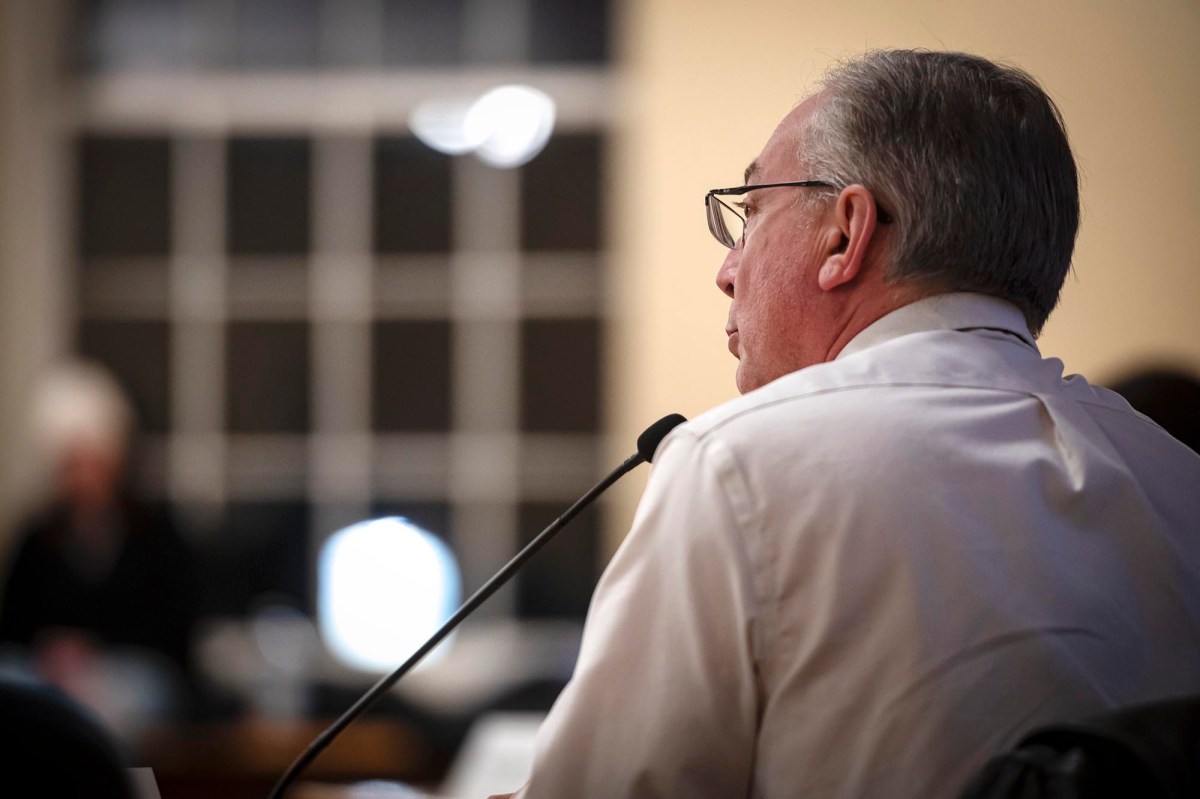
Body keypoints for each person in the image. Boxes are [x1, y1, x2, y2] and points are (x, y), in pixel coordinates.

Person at [495, 50, 1200, 799]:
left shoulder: (738, 465)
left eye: (750, 211)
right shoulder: (1180, 479)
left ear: (845, 234)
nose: (726, 270)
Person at [0, 362, 198, 741]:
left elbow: (175, 630)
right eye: (72, 463)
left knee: (112, 698)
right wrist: (53, 651)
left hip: (127, 674)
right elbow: (13, 625)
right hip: (47, 672)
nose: (84, 476)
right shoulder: (38, 536)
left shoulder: (154, 534)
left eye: (92, 460)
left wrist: (96, 653)